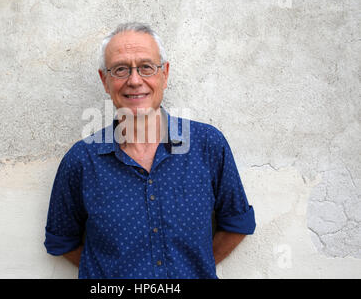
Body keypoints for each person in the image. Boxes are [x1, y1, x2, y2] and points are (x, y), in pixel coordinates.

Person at [44, 22, 255, 279]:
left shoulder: (208, 145)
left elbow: (237, 223)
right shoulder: (81, 161)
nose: (134, 80)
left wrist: (192, 270)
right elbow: (62, 241)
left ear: (164, 74)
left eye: (146, 67)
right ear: (105, 80)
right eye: (120, 69)